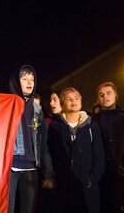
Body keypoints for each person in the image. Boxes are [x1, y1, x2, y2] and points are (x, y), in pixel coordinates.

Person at [47, 87, 105, 213]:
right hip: (64, 185)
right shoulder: (55, 127)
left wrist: (92, 180)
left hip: (86, 186)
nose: (73, 101)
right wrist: (52, 177)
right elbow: (50, 152)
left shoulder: (91, 126)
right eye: (69, 99)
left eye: (76, 98)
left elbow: (99, 155)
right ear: (62, 103)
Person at [8, 65, 54, 213]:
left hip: (31, 168)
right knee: (7, 209)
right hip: (11, 168)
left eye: (32, 79)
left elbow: (42, 143)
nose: (30, 82)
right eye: (25, 78)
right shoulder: (8, 104)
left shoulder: (37, 109)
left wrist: (48, 173)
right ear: (16, 81)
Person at [92, 82, 124, 213]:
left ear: (116, 95)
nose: (105, 97)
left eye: (109, 93)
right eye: (101, 95)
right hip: (102, 173)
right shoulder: (94, 121)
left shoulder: (122, 117)